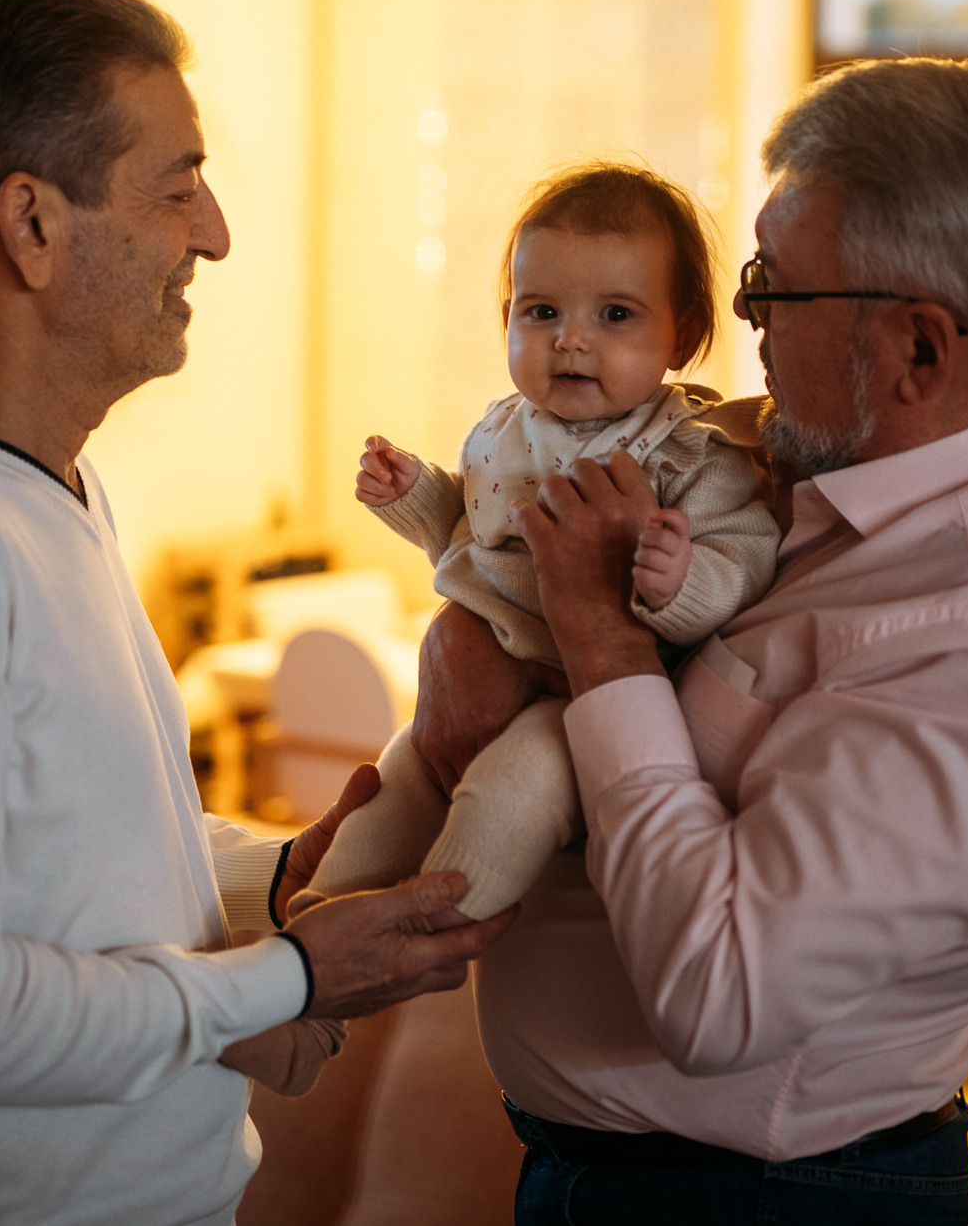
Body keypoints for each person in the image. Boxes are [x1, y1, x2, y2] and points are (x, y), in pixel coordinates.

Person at [0, 0, 512, 1226]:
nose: (215, 233)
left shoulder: (50, 487)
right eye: (176, 182)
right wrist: (287, 975)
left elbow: (59, 855)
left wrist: (280, 874)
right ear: (30, 225)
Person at [411, 58, 968, 1225]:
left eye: (778, 290)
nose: (744, 323)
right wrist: (465, 633)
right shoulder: (803, 460)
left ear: (918, 350)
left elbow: (719, 993)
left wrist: (599, 638)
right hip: (598, 1175)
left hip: (764, 1201)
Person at [307, 164, 779, 925]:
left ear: (683, 332)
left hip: (568, 698)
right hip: (475, 664)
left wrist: (679, 576)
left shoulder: (692, 451)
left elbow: (745, 559)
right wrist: (416, 495)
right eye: (542, 311)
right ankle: (323, 916)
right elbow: (474, 537)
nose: (570, 339)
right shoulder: (504, 428)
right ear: (507, 320)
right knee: (397, 783)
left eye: (616, 314)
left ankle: (438, 919)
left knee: (513, 792)